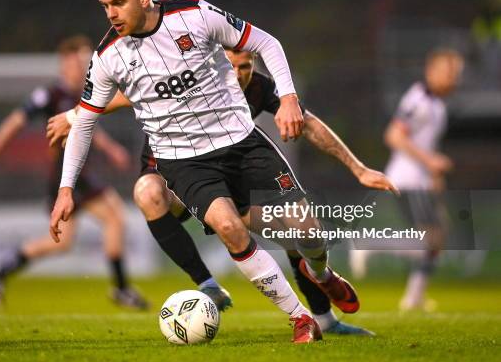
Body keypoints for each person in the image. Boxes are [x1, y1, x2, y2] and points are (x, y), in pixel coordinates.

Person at [50, 0, 397, 343]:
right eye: (106, 6)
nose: (111, 14)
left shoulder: (196, 15)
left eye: (119, 2)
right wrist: (65, 189)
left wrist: (287, 99)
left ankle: (321, 273)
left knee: (306, 229)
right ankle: (301, 318)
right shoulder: (107, 57)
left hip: (241, 142)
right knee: (229, 227)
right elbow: (87, 121)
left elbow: (267, 42)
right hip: (183, 163)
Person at [47, 48, 380, 335]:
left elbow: (306, 122)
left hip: (229, 175)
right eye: (230, 66)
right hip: (176, 171)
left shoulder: (259, 88)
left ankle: (323, 314)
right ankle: (208, 284)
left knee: (296, 233)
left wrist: (358, 168)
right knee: (148, 192)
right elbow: (130, 92)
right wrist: (76, 114)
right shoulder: (191, 79)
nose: (237, 75)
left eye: (245, 67)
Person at [0, 35, 149, 310]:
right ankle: (122, 288)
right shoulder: (50, 95)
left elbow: (86, 123)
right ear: (65, 63)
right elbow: (14, 122)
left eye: (87, 61)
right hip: (67, 175)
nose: (85, 66)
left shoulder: (81, 94)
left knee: (62, 242)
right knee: (115, 217)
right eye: (80, 61)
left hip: (76, 173)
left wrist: (111, 148)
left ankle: (0, 270)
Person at [351, 48, 463, 311]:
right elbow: (393, 135)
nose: (453, 79)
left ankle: (414, 298)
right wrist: (430, 161)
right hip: (407, 178)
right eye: (449, 73)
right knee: (430, 240)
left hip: (421, 180)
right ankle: (371, 245)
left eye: (456, 74)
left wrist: (434, 175)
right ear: (431, 71)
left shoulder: (437, 104)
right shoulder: (418, 99)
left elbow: (426, 145)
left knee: (436, 239)